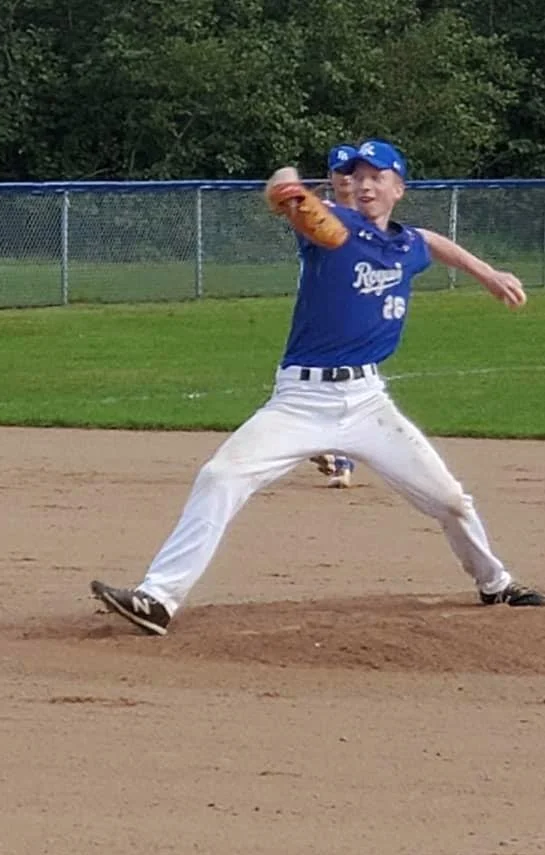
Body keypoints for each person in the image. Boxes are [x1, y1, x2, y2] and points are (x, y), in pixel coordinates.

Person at [91, 139, 543, 635]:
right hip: (301, 401)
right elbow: (285, 187)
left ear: (398, 188)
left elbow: (431, 242)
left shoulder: (406, 244)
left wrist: (487, 273)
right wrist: (289, 189)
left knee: (451, 500)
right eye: (356, 175)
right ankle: (158, 598)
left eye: (376, 176)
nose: (364, 184)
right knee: (221, 477)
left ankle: (495, 583)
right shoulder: (331, 224)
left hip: (367, 402)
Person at [311, 144, 359, 488]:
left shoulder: (371, 216)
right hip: (319, 308)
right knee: (308, 378)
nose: (345, 178)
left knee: (347, 384)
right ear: (330, 176)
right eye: (339, 171)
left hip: (357, 309)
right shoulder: (321, 213)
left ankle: (342, 461)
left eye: (351, 172)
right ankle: (324, 448)